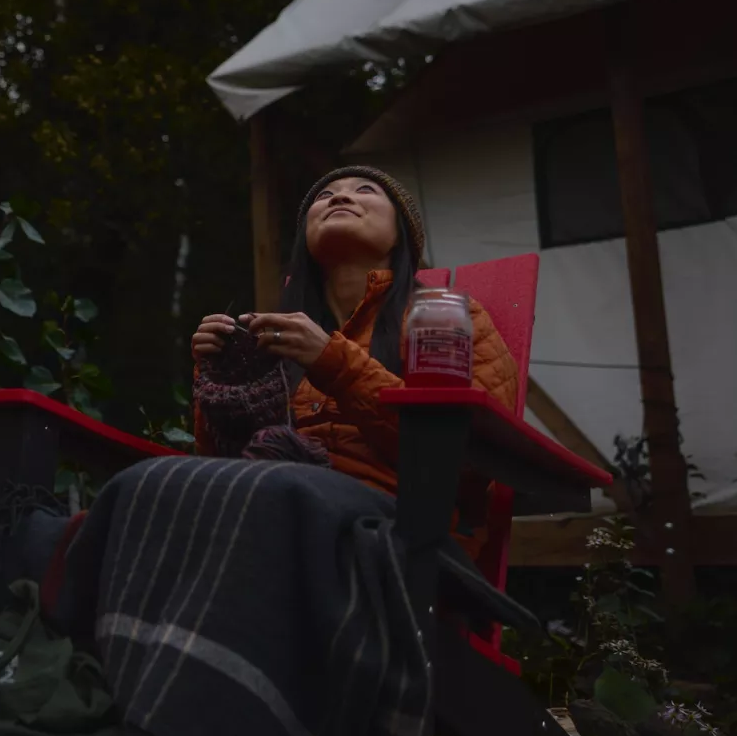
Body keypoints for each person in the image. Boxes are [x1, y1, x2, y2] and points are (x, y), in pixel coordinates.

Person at [190, 164, 517, 553]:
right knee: (142, 484)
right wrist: (220, 381)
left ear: (402, 235)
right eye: (324, 197)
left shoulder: (443, 320)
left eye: (365, 190)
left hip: (396, 528)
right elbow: (222, 459)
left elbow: (468, 461)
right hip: (275, 504)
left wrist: (334, 363)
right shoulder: (275, 341)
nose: (341, 197)